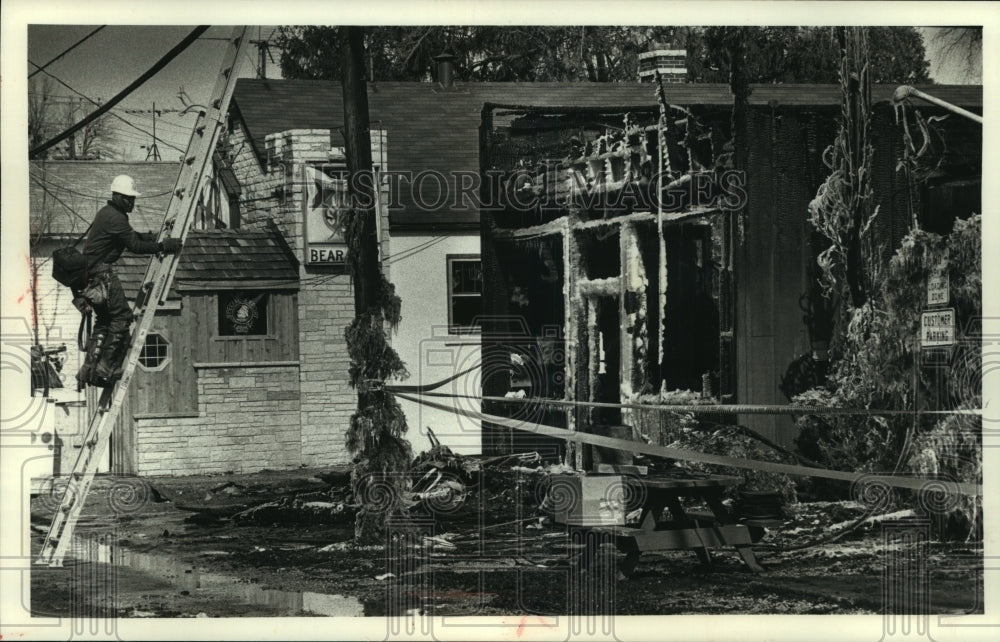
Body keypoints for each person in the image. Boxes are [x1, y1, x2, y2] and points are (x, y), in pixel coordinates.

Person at [75, 175, 182, 388]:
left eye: (133, 198)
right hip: (102, 274)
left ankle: (90, 370)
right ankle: (105, 367)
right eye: (128, 198)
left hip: (90, 275)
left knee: (105, 321)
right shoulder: (116, 217)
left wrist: (152, 238)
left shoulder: (108, 214)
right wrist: (163, 247)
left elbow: (129, 237)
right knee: (122, 318)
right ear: (116, 196)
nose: (132, 203)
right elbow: (134, 246)